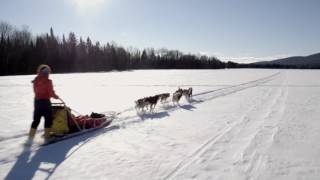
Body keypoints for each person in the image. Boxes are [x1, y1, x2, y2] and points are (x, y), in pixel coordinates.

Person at [28, 64, 59, 141]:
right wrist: (56, 96)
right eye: (48, 72)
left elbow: (35, 91)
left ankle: (30, 137)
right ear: (47, 73)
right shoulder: (48, 81)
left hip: (37, 102)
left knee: (36, 120)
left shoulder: (36, 80)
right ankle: (47, 136)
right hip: (45, 102)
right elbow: (51, 92)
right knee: (48, 119)